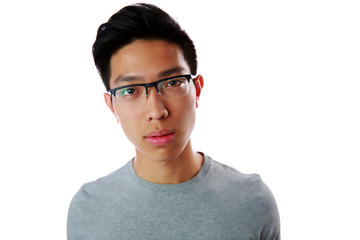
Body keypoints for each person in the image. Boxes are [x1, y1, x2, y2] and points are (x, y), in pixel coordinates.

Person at [67, 3, 280, 240]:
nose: (156, 111)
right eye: (130, 91)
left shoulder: (252, 201)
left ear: (197, 90)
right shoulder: (89, 209)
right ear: (112, 106)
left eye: (172, 83)